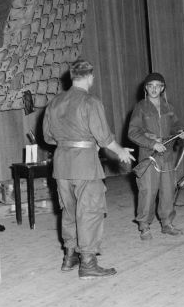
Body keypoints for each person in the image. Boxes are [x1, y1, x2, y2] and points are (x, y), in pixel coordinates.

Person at [42, 59, 135, 279]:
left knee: (69, 210)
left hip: (62, 165)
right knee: (90, 212)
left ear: (72, 77)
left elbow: (47, 137)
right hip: (84, 164)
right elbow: (104, 139)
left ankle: (69, 256)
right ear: (90, 77)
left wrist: (68, 140)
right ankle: (88, 263)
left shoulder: (54, 103)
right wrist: (120, 151)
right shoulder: (90, 101)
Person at [128, 72, 184, 240]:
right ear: (146, 88)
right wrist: (152, 143)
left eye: (158, 86)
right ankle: (144, 225)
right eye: (151, 86)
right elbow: (133, 132)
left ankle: (167, 223)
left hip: (167, 155)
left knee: (168, 190)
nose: (154, 89)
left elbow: (175, 124)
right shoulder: (141, 107)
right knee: (148, 191)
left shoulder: (169, 107)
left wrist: (180, 132)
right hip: (149, 156)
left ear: (162, 88)